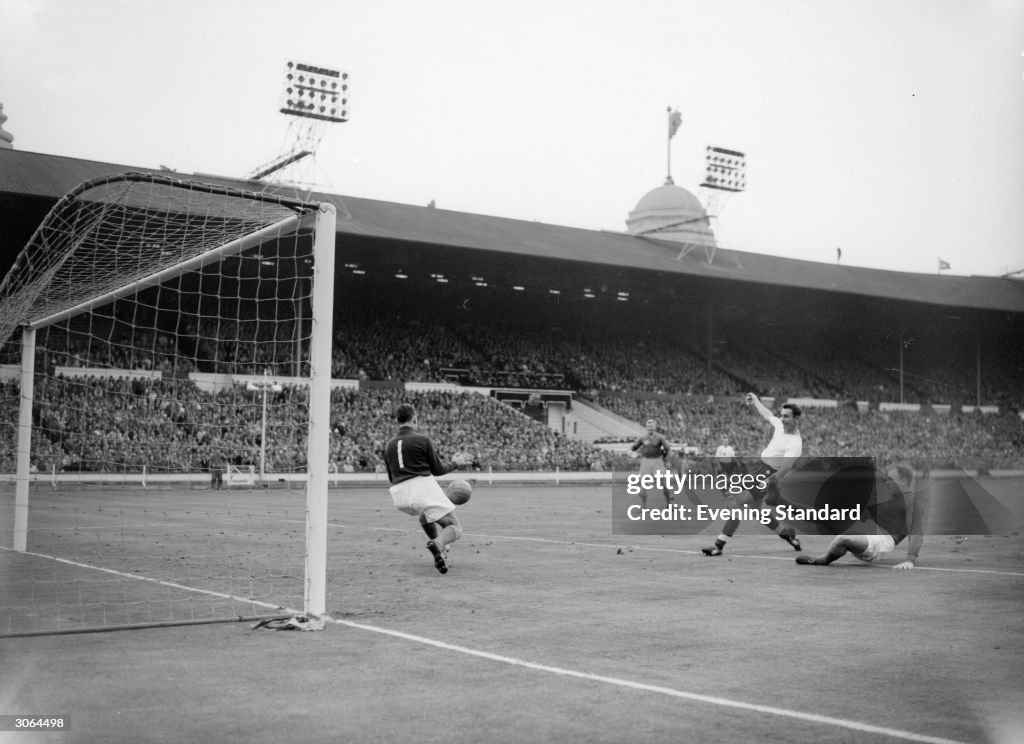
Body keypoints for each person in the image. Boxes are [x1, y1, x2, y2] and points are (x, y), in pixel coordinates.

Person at [702, 394, 803, 556]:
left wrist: (768, 482)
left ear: (796, 418)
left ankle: (718, 545)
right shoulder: (779, 425)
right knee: (756, 511)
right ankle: (789, 537)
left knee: (737, 505)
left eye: (786, 417)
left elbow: (785, 468)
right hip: (758, 468)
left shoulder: (795, 443)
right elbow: (768, 414)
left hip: (768, 474)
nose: (782, 419)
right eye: (782, 416)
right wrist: (756, 401)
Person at [383, 403, 473, 575]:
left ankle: (438, 549)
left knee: (425, 517)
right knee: (455, 528)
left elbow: (391, 477)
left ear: (397, 421)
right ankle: (438, 545)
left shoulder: (389, 445)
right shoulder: (422, 439)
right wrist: (456, 463)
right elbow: (438, 470)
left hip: (399, 495)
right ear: (415, 419)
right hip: (420, 487)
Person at [796, 463, 927, 569]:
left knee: (842, 539)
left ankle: (822, 560)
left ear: (903, 481)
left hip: (881, 541)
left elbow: (916, 532)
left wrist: (910, 560)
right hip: (866, 530)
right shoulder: (894, 500)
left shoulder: (913, 502)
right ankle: (781, 503)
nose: (886, 482)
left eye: (890, 479)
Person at [630, 418, 672, 507]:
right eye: (648, 426)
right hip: (646, 461)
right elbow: (634, 447)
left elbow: (668, 449)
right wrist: (631, 450)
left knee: (664, 484)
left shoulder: (660, 438)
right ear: (646, 427)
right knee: (643, 485)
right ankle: (643, 506)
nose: (650, 427)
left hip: (657, 461)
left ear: (655, 427)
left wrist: (668, 461)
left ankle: (669, 504)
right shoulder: (642, 438)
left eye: (651, 426)